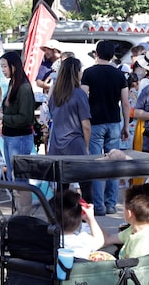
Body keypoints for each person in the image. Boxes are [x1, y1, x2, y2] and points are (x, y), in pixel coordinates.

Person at [82, 41, 130, 216]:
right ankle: (111, 204)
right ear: (112, 55)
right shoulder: (119, 75)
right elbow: (125, 102)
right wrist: (125, 125)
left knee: (97, 163)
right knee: (114, 164)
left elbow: (83, 97)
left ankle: (98, 206)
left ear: (96, 53)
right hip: (114, 122)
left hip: (95, 122)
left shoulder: (88, 73)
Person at [0, 51, 36, 211]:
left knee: (20, 179)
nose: (3, 70)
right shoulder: (13, 84)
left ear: (13, 66)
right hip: (10, 136)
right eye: (1, 66)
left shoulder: (23, 87)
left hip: (20, 138)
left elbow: (25, 118)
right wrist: (3, 111)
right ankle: (19, 212)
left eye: (4, 66)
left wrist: (3, 116)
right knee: (14, 178)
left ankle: (24, 213)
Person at [48, 57, 93, 201]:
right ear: (76, 72)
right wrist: (86, 146)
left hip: (57, 145)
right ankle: (88, 219)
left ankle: (60, 218)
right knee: (85, 184)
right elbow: (86, 125)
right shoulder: (79, 94)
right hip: (75, 144)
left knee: (62, 186)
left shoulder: (55, 95)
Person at [101, 184, 149, 259]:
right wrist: (90, 219)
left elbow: (131, 270)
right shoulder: (134, 230)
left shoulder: (142, 246)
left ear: (129, 213)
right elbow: (109, 238)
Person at [57, 190, 105, 259]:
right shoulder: (82, 240)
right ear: (79, 219)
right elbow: (100, 241)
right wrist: (91, 219)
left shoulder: (47, 238)